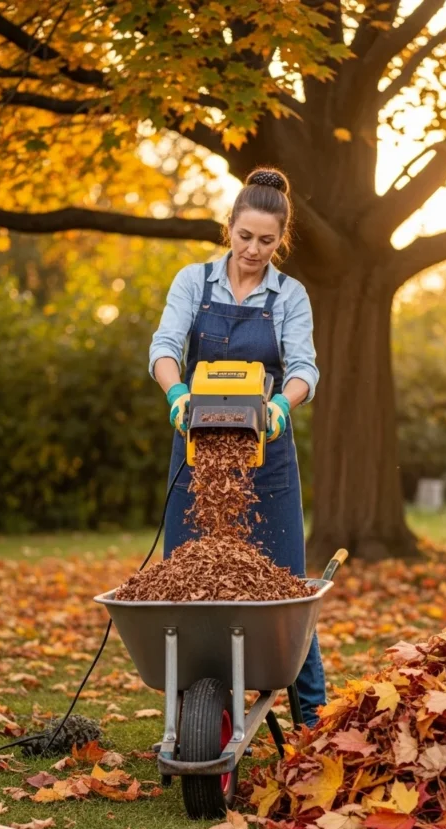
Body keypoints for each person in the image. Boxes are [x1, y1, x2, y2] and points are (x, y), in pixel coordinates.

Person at [149, 166, 324, 727]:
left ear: (281, 240)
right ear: (229, 227)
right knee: (186, 579)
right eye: (245, 236)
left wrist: (278, 406)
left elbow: (303, 368)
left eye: (267, 241)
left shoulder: (289, 294)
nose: (253, 250)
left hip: (266, 455)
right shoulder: (193, 282)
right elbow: (165, 343)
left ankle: (313, 721)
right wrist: (177, 391)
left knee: (286, 591)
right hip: (198, 454)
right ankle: (191, 716)